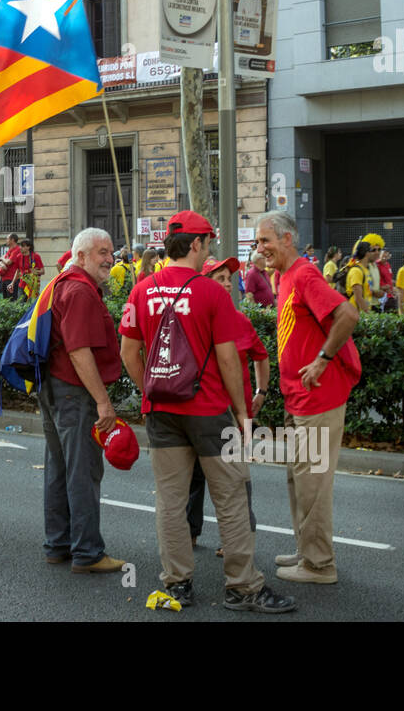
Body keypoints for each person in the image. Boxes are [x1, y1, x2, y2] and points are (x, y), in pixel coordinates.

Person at [120, 212, 293, 612]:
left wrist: (149, 387)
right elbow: (230, 361)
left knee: (170, 502)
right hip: (211, 411)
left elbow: (129, 351)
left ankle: (177, 584)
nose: (209, 251)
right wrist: (243, 415)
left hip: (160, 410)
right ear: (196, 244)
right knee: (231, 498)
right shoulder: (214, 294)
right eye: (209, 244)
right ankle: (242, 588)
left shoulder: (141, 291)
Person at [256, 210, 360, 584]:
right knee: (300, 478)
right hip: (299, 399)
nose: (260, 247)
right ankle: (307, 551)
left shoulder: (303, 274)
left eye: (266, 240)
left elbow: (348, 314)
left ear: (287, 239)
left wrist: (322, 360)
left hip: (317, 397)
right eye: (258, 241)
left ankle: (319, 565)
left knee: (311, 482)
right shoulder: (286, 276)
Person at [39, 228, 125, 576]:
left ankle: (58, 545)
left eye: (110, 252)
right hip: (74, 393)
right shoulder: (80, 290)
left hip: (56, 389)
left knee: (59, 468)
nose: (109, 258)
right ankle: (87, 552)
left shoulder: (65, 283)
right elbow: (79, 351)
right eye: (101, 252)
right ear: (81, 256)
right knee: (83, 472)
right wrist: (103, 402)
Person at [188, 256, 270, 554]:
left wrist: (261, 392)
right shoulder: (193, 318)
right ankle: (190, 534)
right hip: (199, 413)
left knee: (235, 480)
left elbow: (261, 356)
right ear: (203, 282)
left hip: (235, 417)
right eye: (218, 277)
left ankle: (238, 538)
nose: (225, 284)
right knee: (195, 477)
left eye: (228, 278)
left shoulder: (240, 321)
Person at [343, 242, 376, 312]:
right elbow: (358, 298)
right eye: (372, 251)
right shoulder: (356, 271)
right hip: (358, 314)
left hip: (364, 314)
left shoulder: (365, 270)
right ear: (367, 253)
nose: (375, 253)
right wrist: (368, 315)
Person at [0, 233, 26, 301]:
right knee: (5, 301)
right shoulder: (10, 250)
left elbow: (8, 262)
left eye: (7, 239)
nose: (6, 240)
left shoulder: (17, 250)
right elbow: (1, 260)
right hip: (4, 279)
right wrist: (3, 263)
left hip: (12, 280)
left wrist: (3, 260)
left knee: (11, 300)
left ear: (12, 240)